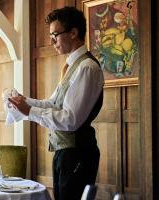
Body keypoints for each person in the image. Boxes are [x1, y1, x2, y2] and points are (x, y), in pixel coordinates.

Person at [8, 7, 104, 200]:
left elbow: (71, 120)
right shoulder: (71, 66)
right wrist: (23, 101)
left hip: (78, 154)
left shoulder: (87, 68)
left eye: (55, 35)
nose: (52, 41)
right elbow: (54, 103)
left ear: (73, 33)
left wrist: (30, 111)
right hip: (64, 152)